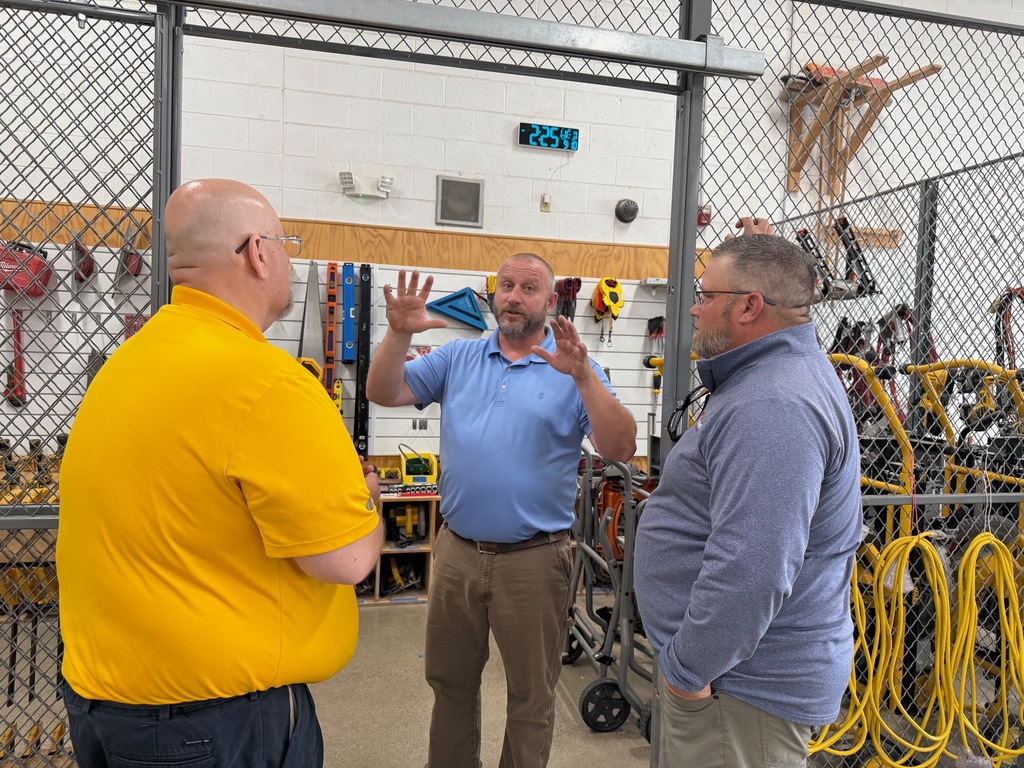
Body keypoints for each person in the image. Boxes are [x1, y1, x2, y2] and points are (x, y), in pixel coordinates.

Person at [56, 178, 384, 767]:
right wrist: (368, 503)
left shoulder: (130, 360)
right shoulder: (269, 382)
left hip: (103, 702)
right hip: (214, 720)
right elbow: (346, 560)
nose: (288, 256)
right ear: (259, 253)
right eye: (287, 242)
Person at [366, 256, 637, 768]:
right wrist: (398, 334)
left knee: (532, 697)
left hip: (535, 561)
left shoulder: (574, 366)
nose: (513, 296)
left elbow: (620, 447)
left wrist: (583, 379)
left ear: (550, 302)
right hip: (458, 554)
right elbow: (384, 390)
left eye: (529, 288)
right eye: (506, 285)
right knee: (450, 684)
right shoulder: (459, 358)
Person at [633, 217, 862, 768]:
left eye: (705, 295)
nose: (692, 308)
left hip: (737, 692)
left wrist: (687, 673)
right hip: (732, 684)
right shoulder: (771, 379)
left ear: (749, 306)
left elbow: (754, 567)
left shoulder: (773, 404)